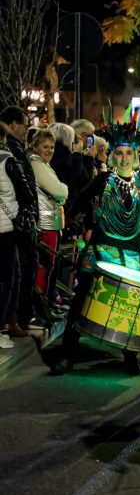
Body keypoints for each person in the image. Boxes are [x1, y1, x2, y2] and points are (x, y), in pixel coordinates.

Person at [50, 115, 140, 376]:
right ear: (112, 156)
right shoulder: (103, 181)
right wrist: (74, 223)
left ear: (136, 156)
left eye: (129, 153)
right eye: (119, 153)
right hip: (101, 249)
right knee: (82, 299)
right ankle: (67, 355)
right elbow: (78, 201)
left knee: (132, 304)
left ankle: (130, 355)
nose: (124, 158)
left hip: (132, 252)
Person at [0, 120, 36, 343]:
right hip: (5, 228)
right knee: (7, 278)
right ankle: (3, 327)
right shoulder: (7, 160)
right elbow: (27, 193)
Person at [28, 129, 68, 314]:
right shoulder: (37, 165)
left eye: (52, 147)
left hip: (49, 222)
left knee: (47, 266)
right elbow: (60, 192)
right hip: (45, 223)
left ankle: (40, 306)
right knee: (44, 267)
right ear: (35, 147)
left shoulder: (43, 164)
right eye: (45, 146)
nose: (49, 150)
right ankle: (38, 308)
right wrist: (63, 191)